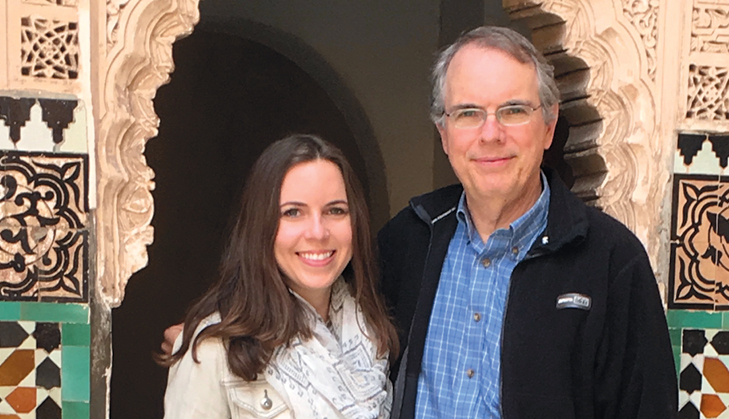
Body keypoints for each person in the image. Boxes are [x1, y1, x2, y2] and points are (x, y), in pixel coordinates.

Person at [377, 26, 678, 418]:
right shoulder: (407, 241)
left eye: (514, 111)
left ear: (549, 126)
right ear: (444, 134)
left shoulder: (611, 261)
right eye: (468, 113)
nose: (491, 134)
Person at [159, 134, 398, 419]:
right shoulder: (213, 350)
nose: (318, 232)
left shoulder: (373, 334)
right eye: (293, 212)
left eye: (335, 210)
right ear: (262, 226)